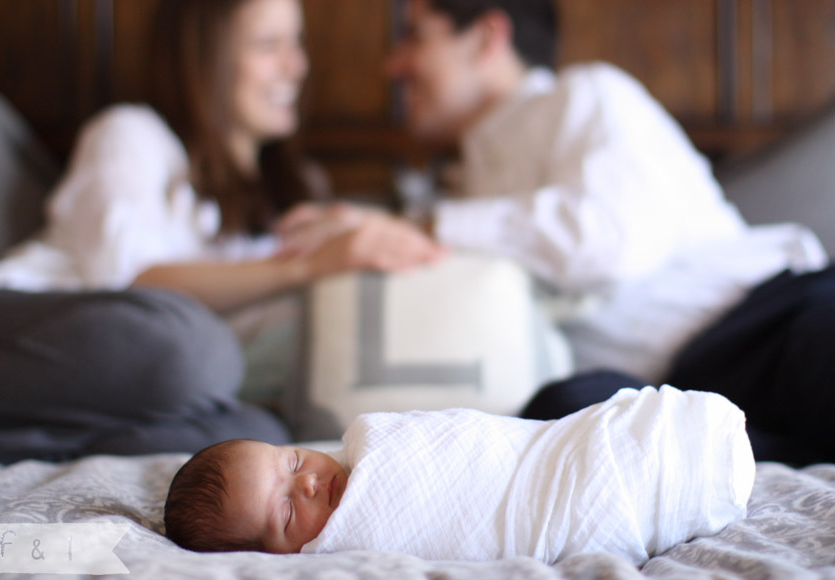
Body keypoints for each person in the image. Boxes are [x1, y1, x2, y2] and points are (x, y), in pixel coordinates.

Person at [275, 0, 835, 465]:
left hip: (774, 316)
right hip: (674, 393)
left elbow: (607, 241)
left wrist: (420, 225)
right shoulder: (463, 188)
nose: (392, 66)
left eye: (414, 38)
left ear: (486, 38)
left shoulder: (586, 95)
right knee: (556, 409)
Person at [0, 0, 444, 464]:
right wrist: (303, 266)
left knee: (258, 435)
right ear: (205, 55)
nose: (296, 65)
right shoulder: (131, 134)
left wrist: (353, 233)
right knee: (195, 348)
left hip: (145, 385)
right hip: (15, 326)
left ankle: (27, 443)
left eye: (295, 42)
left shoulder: (291, 192)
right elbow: (132, 280)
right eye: (267, 44)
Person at [164, 386, 754, 564]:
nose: (311, 484)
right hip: (579, 505)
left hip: (563, 451)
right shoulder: (348, 553)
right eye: (289, 512)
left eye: (292, 463)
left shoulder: (372, 443)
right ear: (274, 555)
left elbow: (481, 442)